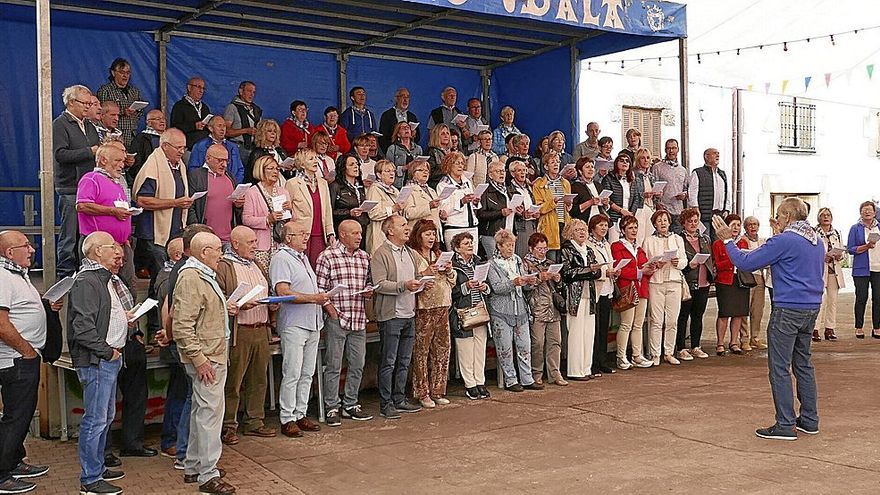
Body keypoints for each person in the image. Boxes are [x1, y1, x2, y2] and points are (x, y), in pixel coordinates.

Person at [711, 197, 825, 441]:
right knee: (803, 363)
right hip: (811, 306)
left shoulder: (784, 240)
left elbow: (745, 261)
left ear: (786, 217)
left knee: (779, 367)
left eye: (780, 216)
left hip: (787, 307)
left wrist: (727, 240)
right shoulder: (817, 240)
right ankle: (809, 419)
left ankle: (785, 424)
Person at [171, 231, 238, 493]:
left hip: (211, 353)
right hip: (206, 356)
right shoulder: (191, 277)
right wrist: (199, 359)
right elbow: (182, 325)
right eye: (217, 250)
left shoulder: (201, 275)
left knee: (203, 411)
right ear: (203, 252)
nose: (221, 255)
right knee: (210, 415)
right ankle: (208, 474)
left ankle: (194, 466)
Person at [69, 232, 129, 495]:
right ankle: (90, 479)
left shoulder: (103, 279)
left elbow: (103, 316)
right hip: (98, 360)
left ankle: (97, 468)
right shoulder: (87, 281)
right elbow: (82, 327)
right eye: (111, 247)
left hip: (107, 358)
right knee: (95, 419)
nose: (117, 251)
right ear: (96, 252)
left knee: (104, 416)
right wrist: (107, 352)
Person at [0, 231, 59, 494]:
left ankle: (13, 461)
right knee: (16, 416)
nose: (32, 249)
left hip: (23, 357)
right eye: (26, 246)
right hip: (16, 358)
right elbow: (1, 324)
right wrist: (27, 351)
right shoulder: (2, 277)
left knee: (20, 414)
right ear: (10, 253)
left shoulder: (16, 276)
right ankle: (2, 475)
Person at [215, 226, 276, 444]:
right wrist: (238, 304)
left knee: (259, 379)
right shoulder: (224, 266)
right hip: (239, 331)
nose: (254, 246)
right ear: (235, 244)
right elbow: (217, 296)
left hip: (261, 328)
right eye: (250, 242)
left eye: (254, 241)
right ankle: (228, 425)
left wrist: (273, 305)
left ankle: (254, 422)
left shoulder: (257, 264)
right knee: (233, 381)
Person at [271, 223, 332, 438]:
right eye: (301, 234)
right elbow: (283, 291)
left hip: (312, 321)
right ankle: (287, 417)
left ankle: (300, 412)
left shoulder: (302, 256)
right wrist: (315, 298)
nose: (306, 237)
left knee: (307, 372)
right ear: (288, 237)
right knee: (293, 372)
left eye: (306, 234)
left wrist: (319, 297)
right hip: (295, 323)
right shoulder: (281, 258)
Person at [315, 220, 374, 426]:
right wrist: (331, 313)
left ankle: (351, 404)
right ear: (342, 234)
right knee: (334, 365)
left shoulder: (364, 257)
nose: (359, 236)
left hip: (358, 317)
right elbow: (320, 290)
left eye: (360, 233)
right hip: (337, 318)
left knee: (358, 364)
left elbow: (368, 281)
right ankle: (332, 406)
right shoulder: (327, 257)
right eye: (354, 233)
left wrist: (368, 291)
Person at [370, 215, 428, 418]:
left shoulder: (410, 253)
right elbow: (378, 284)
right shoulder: (381, 254)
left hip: (408, 312)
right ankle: (386, 404)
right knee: (389, 361)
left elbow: (416, 278)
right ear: (390, 231)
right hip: (391, 315)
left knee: (404, 360)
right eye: (402, 225)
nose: (408, 228)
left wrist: (423, 281)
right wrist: (403, 286)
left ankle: (399, 398)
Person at [132, 129, 191, 299]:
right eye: (178, 147)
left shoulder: (180, 166)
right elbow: (142, 200)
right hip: (154, 233)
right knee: (161, 279)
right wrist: (175, 203)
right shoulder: (152, 166)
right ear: (165, 146)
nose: (182, 151)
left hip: (175, 230)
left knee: (172, 278)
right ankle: (154, 323)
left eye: (184, 148)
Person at [54, 84, 101, 278]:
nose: (88, 107)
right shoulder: (60, 124)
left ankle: (84, 272)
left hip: (89, 188)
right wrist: (89, 151)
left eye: (90, 103)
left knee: (85, 233)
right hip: (70, 187)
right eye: (85, 103)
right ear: (71, 102)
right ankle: (65, 275)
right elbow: (60, 154)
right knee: (69, 235)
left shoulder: (89, 125)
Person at [407, 219, 455, 408]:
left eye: (433, 234)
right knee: (421, 351)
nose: (431, 237)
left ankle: (438, 390)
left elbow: (452, 281)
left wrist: (450, 271)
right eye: (427, 234)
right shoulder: (413, 255)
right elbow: (412, 281)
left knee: (442, 349)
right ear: (418, 235)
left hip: (443, 305)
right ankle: (422, 391)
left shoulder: (439, 253)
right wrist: (427, 272)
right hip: (424, 308)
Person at [487, 229, 539, 391]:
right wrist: (514, 282)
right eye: (507, 246)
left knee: (525, 345)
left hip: (520, 309)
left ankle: (527, 378)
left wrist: (530, 281)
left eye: (513, 245)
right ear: (499, 246)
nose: (511, 249)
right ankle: (510, 380)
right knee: (505, 348)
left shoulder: (517, 260)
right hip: (501, 310)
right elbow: (496, 288)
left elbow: (524, 283)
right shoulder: (491, 264)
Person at [449, 232, 491, 400]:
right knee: (466, 349)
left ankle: (480, 381)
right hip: (463, 311)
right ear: (457, 248)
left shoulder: (479, 262)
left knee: (480, 349)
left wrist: (484, 288)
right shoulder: (452, 266)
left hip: (480, 308)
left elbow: (489, 287)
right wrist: (466, 286)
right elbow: (452, 292)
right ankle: (470, 384)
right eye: (465, 243)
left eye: (471, 242)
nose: (470, 245)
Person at [643, 210, 687, 366]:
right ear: (654, 224)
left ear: (669, 222)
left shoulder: (678, 239)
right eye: (659, 220)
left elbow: (684, 260)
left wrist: (677, 262)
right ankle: (655, 353)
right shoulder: (649, 241)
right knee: (656, 320)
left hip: (674, 281)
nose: (663, 223)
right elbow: (645, 261)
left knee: (672, 320)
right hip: (656, 282)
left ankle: (669, 352)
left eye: (665, 220)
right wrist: (655, 263)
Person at [522, 232, 565, 386]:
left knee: (555, 342)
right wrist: (539, 279)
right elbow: (524, 287)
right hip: (536, 308)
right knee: (538, 343)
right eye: (539, 249)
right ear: (531, 248)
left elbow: (559, 287)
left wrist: (558, 280)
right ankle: (536, 373)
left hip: (552, 308)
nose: (542, 252)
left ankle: (555, 374)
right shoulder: (525, 264)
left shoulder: (550, 263)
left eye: (545, 248)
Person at [560, 219, 601, 380]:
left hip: (589, 294)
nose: (582, 232)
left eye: (584, 229)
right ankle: (575, 370)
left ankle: (586, 368)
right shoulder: (567, 249)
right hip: (574, 295)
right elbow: (567, 273)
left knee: (588, 333)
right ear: (571, 232)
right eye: (578, 230)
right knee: (576, 333)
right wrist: (588, 270)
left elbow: (597, 272)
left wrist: (593, 271)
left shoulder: (589, 250)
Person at [612, 215, 654, 369]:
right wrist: (640, 271)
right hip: (627, 289)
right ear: (623, 230)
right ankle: (621, 356)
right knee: (626, 324)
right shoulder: (617, 246)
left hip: (641, 289)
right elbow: (620, 270)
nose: (634, 230)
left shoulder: (639, 248)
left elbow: (645, 268)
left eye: (635, 227)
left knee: (638, 325)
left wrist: (651, 268)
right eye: (630, 228)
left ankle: (637, 355)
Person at [285, 149, 335, 267]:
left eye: (316, 158)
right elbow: (286, 210)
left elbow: (327, 210)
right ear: (302, 164)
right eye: (311, 159)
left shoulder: (323, 183)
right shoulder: (292, 183)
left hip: (320, 234)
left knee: (318, 269)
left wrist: (330, 233)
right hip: (300, 235)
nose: (315, 161)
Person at [242, 155, 292, 274]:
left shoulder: (283, 191)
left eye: (277, 169)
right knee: (263, 278)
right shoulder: (252, 192)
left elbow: (289, 220)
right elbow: (246, 219)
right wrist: (267, 219)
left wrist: (290, 211)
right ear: (261, 170)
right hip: (261, 246)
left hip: (279, 243)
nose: (275, 172)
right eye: (271, 169)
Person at [676, 208, 715, 360]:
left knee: (698, 316)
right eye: (689, 221)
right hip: (688, 281)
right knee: (683, 316)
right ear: (683, 223)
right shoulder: (679, 239)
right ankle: (681, 347)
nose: (693, 224)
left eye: (695, 221)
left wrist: (712, 274)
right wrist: (688, 266)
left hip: (703, 281)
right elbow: (679, 260)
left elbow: (710, 258)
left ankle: (696, 345)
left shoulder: (705, 239)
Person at [187, 144, 242, 246]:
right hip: (206, 240)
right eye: (220, 160)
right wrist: (199, 232)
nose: (224, 164)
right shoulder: (196, 176)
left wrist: (238, 206)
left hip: (228, 240)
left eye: (226, 160)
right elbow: (190, 207)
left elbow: (236, 210)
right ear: (208, 159)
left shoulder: (230, 177)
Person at [711, 214, 750, 356]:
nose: (736, 228)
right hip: (725, 280)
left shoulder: (743, 243)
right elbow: (717, 264)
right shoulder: (718, 244)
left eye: (738, 225)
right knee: (724, 313)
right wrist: (734, 260)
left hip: (740, 280)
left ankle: (734, 342)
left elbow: (747, 259)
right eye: (732, 224)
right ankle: (720, 343)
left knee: (738, 313)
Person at [585, 214, 618, 375]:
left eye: (606, 225)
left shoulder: (606, 244)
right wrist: (606, 272)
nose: (604, 228)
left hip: (608, 289)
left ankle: (603, 361)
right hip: (596, 289)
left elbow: (610, 261)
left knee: (604, 327)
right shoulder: (588, 244)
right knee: (595, 329)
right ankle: (593, 363)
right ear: (593, 227)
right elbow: (593, 266)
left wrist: (614, 271)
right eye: (601, 225)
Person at [847, 200, 880, 339]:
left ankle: (877, 327)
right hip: (862, 269)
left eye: (870, 209)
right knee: (861, 297)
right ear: (860, 212)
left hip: (878, 267)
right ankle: (859, 327)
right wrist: (866, 246)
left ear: (875, 212)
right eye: (864, 209)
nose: (867, 212)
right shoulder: (855, 228)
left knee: (878, 298)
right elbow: (850, 249)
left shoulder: (878, 227)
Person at [813, 207, 845, 342]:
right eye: (823, 215)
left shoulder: (836, 233)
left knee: (832, 300)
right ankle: (815, 329)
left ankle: (830, 328)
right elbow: (811, 252)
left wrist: (839, 256)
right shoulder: (814, 233)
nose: (826, 217)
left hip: (834, 271)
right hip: (820, 270)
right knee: (820, 301)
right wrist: (822, 257)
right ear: (819, 218)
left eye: (828, 215)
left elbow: (842, 251)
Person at [532, 152, 572, 260]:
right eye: (552, 162)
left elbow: (568, 208)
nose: (556, 164)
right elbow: (539, 207)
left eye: (558, 162)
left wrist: (568, 204)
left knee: (564, 258)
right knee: (552, 258)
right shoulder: (539, 184)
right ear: (546, 166)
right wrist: (553, 203)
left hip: (564, 223)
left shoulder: (565, 183)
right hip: (549, 225)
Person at [96, 58, 144, 147]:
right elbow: (101, 113)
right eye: (122, 72)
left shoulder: (134, 91)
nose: (125, 76)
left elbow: (141, 112)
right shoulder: (105, 91)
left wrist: (135, 112)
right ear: (113, 73)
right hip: (114, 136)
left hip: (133, 135)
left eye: (128, 73)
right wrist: (122, 112)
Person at [438, 152, 481, 250]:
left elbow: (474, 206)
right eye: (457, 163)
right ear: (449, 165)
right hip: (455, 227)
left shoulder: (467, 182)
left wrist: (475, 202)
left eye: (462, 163)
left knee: (472, 259)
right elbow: (443, 210)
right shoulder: (444, 184)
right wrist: (461, 202)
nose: (460, 166)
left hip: (472, 226)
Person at [739, 216, 769, 351]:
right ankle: (744, 339)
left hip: (759, 277)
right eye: (750, 224)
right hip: (747, 276)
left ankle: (755, 337)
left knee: (758, 310)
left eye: (755, 224)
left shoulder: (763, 241)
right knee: (744, 308)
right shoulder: (741, 240)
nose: (753, 227)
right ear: (745, 227)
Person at [687, 148, 730, 240]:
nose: (717, 155)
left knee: (718, 242)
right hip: (704, 215)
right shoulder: (698, 172)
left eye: (718, 153)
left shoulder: (722, 174)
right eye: (714, 153)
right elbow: (692, 192)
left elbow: (727, 192)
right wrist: (695, 209)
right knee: (705, 240)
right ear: (706, 157)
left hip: (719, 215)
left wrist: (727, 209)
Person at [188, 116, 245, 184]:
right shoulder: (200, 146)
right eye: (219, 126)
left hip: (231, 186)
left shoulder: (233, 147)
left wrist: (234, 184)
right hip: (208, 185)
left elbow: (240, 169)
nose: (222, 129)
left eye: (224, 126)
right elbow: (193, 170)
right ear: (210, 128)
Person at [477, 161, 515, 257]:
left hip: (508, 232)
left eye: (503, 171)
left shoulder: (510, 190)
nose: (502, 173)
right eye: (498, 171)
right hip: (491, 234)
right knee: (496, 262)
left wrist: (518, 211)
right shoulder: (485, 191)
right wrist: (500, 213)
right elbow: (481, 214)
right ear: (490, 174)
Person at [365, 160, 402, 254]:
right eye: (387, 171)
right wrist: (393, 209)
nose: (391, 173)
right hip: (380, 236)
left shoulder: (395, 190)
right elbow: (373, 214)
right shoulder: (374, 189)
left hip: (395, 236)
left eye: (393, 171)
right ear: (379, 174)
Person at [330, 155, 369, 240]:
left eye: (357, 164)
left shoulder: (360, 185)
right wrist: (349, 212)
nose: (356, 167)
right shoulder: (335, 186)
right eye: (351, 164)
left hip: (362, 229)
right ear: (343, 168)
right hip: (345, 232)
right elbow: (330, 212)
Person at [223, 81, 262, 166]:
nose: (252, 94)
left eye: (254, 92)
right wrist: (245, 131)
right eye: (249, 91)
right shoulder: (232, 108)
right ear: (241, 91)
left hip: (254, 148)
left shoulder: (256, 110)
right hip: (237, 148)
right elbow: (226, 131)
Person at [507, 160, 539, 258]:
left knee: (531, 255)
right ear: (512, 173)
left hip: (532, 224)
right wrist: (521, 213)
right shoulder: (509, 189)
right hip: (520, 226)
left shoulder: (528, 187)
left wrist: (536, 213)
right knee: (522, 255)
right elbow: (510, 208)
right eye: (519, 171)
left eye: (524, 170)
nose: (523, 173)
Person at [170, 77, 211, 150]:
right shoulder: (179, 106)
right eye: (198, 87)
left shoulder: (205, 107)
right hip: (188, 148)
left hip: (205, 148)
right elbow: (175, 128)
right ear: (189, 88)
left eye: (203, 88)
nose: (201, 90)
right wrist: (194, 126)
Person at [402, 160, 443, 231]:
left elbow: (435, 212)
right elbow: (408, 213)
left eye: (427, 170)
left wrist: (442, 216)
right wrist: (428, 206)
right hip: (418, 233)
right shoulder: (408, 189)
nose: (425, 172)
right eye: (421, 170)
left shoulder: (431, 190)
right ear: (412, 173)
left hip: (434, 232)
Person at [128, 110, 165, 184]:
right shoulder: (141, 139)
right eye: (158, 119)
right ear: (149, 123)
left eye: (163, 118)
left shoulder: (169, 137)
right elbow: (136, 163)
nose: (162, 121)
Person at [245, 119, 287, 184]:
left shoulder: (280, 151)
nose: (273, 133)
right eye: (269, 131)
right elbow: (252, 175)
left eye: (275, 131)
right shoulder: (257, 153)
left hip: (283, 183)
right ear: (262, 133)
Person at [378, 88, 421, 152]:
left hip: (410, 151)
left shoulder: (412, 116)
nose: (405, 99)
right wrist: (390, 151)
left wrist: (414, 135)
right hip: (393, 152)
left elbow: (417, 137)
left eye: (408, 97)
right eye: (403, 96)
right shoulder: (387, 115)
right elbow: (383, 137)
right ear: (396, 98)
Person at [569, 156, 608, 225]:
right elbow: (573, 211)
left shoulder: (598, 185)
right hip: (584, 223)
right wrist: (590, 202)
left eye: (592, 167)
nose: (591, 169)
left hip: (599, 223)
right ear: (580, 171)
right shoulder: (575, 186)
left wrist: (605, 203)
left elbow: (603, 208)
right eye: (587, 167)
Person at [385, 122, 424, 189]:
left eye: (408, 127)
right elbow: (387, 169)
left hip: (415, 184)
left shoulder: (418, 149)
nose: (406, 129)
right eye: (403, 128)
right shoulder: (392, 149)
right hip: (398, 184)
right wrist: (405, 167)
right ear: (398, 134)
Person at [426, 124, 453, 188]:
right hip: (437, 185)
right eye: (442, 134)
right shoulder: (432, 152)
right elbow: (430, 174)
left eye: (447, 133)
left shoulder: (452, 151)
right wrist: (446, 169)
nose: (446, 136)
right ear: (436, 136)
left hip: (450, 184)